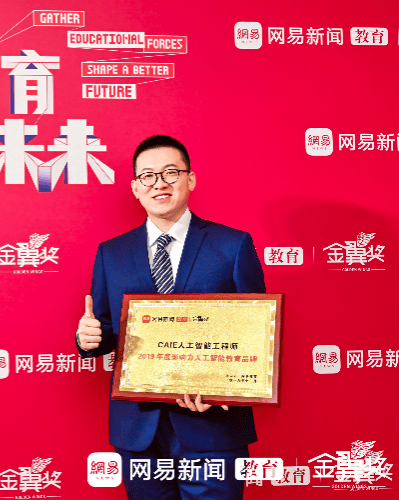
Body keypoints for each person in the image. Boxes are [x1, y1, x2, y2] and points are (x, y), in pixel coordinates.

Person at [76, 135, 265, 499]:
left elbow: (256, 332)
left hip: (212, 424)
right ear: (135, 188)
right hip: (138, 429)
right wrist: (88, 339)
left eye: (170, 172)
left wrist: (221, 388)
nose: (159, 183)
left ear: (190, 179)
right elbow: (106, 330)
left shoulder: (232, 244)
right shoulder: (111, 253)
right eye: (147, 176)